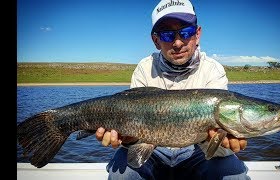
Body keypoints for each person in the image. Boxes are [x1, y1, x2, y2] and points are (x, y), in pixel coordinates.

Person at [96, 0, 250, 179]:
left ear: (197, 34)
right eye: (167, 35)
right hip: (152, 151)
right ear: (156, 40)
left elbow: (216, 137)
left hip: (197, 150)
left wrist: (222, 140)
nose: (178, 42)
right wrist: (127, 138)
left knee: (235, 176)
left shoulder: (213, 70)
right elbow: (135, 134)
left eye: (186, 32)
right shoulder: (144, 68)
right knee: (121, 176)